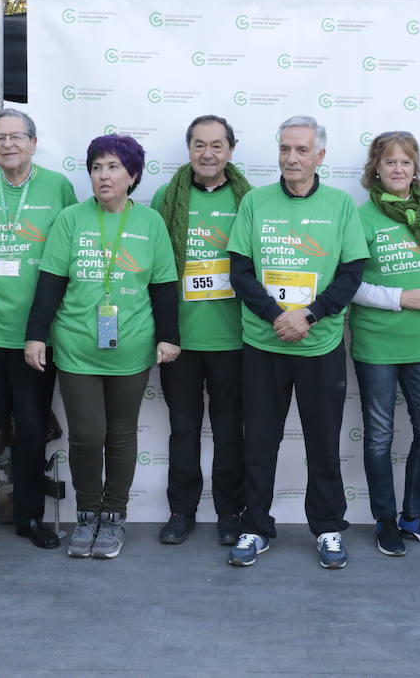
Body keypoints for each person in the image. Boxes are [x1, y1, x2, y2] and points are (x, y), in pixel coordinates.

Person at [24, 135, 179, 560]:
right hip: (76, 347)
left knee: (122, 434)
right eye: (96, 167)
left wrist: (170, 335)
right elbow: (51, 282)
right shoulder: (72, 219)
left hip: (131, 346)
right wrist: (36, 334)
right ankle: (88, 513)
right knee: (88, 436)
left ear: (132, 175)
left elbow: (164, 286)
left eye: (112, 166)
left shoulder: (149, 223)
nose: (103, 175)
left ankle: (114, 516)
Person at [225, 116, 368, 570]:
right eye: (285, 148)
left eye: (302, 150)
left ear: (320, 156)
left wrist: (307, 315)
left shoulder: (341, 205)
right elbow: (240, 271)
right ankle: (254, 527)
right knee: (259, 442)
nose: (292, 158)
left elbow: (351, 275)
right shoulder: (255, 202)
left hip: (319, 345)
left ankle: (327, 528)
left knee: (322, 443)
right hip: (264, 344)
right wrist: (276, 316)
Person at [0, 108, 77, 557]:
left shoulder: (57, 188)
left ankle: (29, 516)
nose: (7, 144)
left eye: (16, 137)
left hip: (35, 335)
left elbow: (70, 249)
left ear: (33, 142)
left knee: (30, 428)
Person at [348, 131, 420, 556]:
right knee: (378, 437)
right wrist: (399, 299)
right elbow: (348, 282)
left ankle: (415, 515)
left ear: (415, 168)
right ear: (376, 167)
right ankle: (385, 520)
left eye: (406, 162)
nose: (398, 169)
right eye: (389, 162)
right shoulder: (360, 216)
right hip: (376, 343)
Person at [151, 115, 251, 546]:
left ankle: (230, 511)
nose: (207, 153)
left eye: (216, 145)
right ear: (188, 149)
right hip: (180, 340)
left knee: (230, 431)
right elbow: (153, 268)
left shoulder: (251, 200)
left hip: (233, 338)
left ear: (230, 150)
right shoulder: (165, 197)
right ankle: (181, 511)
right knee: (183, 428)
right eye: (198, 145)